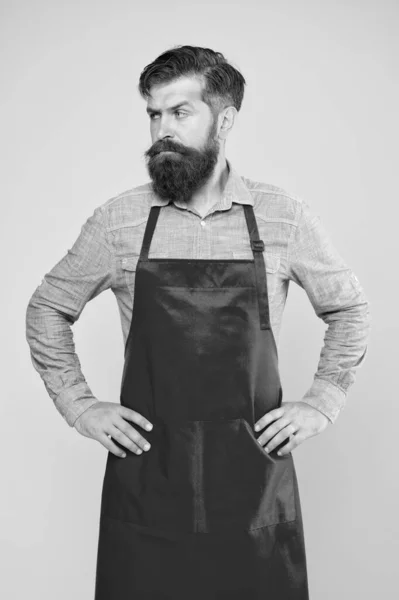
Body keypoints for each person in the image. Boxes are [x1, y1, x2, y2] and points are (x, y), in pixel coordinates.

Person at [25, 45, 371, 599]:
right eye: (154, 114)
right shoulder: (120, 219)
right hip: (148, 481)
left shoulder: (283, 216)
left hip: (254, 484)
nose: (162, 129)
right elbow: (48, 306)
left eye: (179, 112)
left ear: (225, 119)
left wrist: (322, 400)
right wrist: (78, 405)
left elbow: (348, 307)